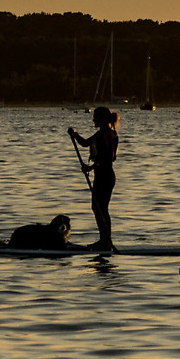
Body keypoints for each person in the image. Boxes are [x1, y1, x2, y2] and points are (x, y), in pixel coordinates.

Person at [69, 106, 121, 252]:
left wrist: (90, 168)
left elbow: (109, 158)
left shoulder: (109, 134)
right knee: (97, 207)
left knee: (101, 208)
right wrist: (75, 134)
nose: (93, 120)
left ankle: (106, 242)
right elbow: (85, 144)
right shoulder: (100, 133)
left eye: (96, 117)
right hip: (100, 175)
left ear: (103, 118)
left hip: (106, 176)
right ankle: (104, 240)